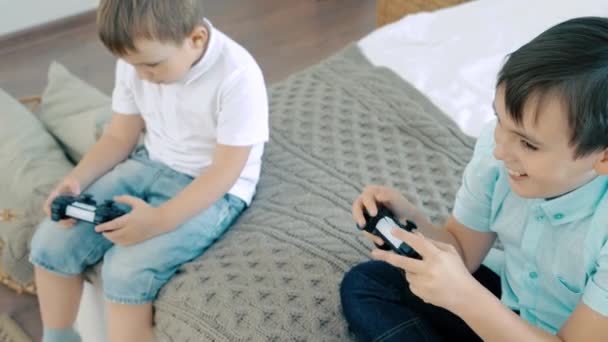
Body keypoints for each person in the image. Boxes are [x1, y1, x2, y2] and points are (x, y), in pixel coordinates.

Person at [340, 16, 608, 341]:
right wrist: (411, 220)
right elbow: (462, 252)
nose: (500, 150)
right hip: (511, 308)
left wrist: (467, 299)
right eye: (499, 119)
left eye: (528, 143)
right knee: (370, 284)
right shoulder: (495, 155)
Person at [29, 1, 269, 341]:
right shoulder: (137, 61)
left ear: (196, 39)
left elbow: (224, 173)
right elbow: (118, 135)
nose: (142, 76)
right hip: (149, 162)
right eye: (132, 65)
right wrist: (76, 180)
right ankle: (58, 336)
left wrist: (159, 220)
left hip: (215, 188)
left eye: (152, 65)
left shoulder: (238, 75)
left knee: (126, 269)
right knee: (50, 241)